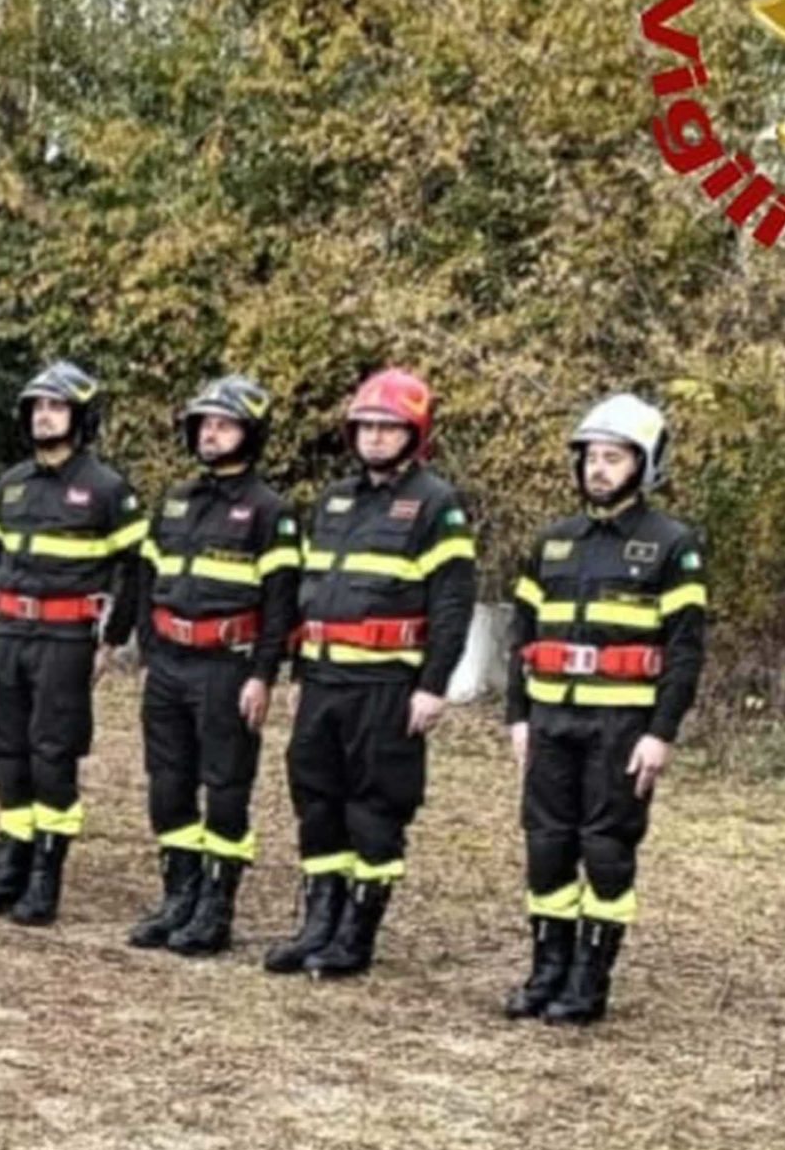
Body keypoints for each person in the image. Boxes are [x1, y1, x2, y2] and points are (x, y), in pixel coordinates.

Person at [265, 367, 475, 980]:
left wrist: (433, 685)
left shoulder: (436, 504)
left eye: (389, 427)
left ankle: (355, 934)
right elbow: (313, 590)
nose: (375, 437)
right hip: (324, 679)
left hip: (387, 685)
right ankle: (318, 924)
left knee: (375, 809)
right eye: (366, 426)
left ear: (415, 434)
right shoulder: (335, 500)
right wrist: (298, 671)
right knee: (316, 800)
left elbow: (453, 603)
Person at [503, 394, 707, 1025]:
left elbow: (685, 650)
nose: (598, 468)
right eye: (592, 457)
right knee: (546, 845)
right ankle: (547, 971)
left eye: (614, 457)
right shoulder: (553, 542)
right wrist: (517, 716)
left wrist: (661, 734)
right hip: (551, 719)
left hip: (621, 726)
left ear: (643, 465)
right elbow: (521, 636)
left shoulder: (672, 544)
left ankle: (588, 981)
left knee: (607, 848)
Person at [0, 361, 147, 928]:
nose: (43, 416)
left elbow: (135, 569)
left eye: (56, 407)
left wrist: (111, 640)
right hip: (12, 632)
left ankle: (45, 876)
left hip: (67, 637)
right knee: (8, 751)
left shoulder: (107, 489)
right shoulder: (11, 484)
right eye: (37, 406)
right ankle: (8, 866)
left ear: (81, 417)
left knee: (52, 755)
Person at [127, 376, 301, 956]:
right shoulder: (176, 500)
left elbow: (281, 604)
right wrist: (149, 652)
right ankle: (179, 895)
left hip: (228, 666)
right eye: (204, 424)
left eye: (223, 425)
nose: (210, 433)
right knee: (168, 784)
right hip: (169, 662)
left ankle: (215, 907)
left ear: (250, 433)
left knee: (225, 788)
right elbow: (146, 579)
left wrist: (263, 674)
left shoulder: (270, 511)